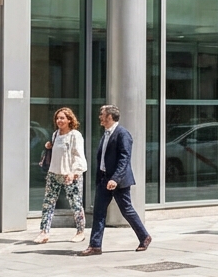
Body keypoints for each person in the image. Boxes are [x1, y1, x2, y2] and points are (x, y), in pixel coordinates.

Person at [79, 105, 150, 256]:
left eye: (102, 114)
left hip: (118, 181)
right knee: (99, 212)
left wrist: (115, 179)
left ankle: (144, 236)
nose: (100, 117)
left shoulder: (122, 134)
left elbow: (124, 159)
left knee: (127, 210)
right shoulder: (106, 134)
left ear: (110, 117)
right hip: (104, 179)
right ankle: (95, 246)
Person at [35, 107, 88, 244]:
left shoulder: (74, 135)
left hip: (70, 174)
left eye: (62, 118)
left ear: (70, 120)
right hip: (53, 173)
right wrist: (49, 147)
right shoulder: (55, 134)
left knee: (75, 204)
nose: (59, 120)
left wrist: (74, 172)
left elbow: (78, 155)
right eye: (57, 118)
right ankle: (44, 232)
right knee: (48, 203)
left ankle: (80, 231)